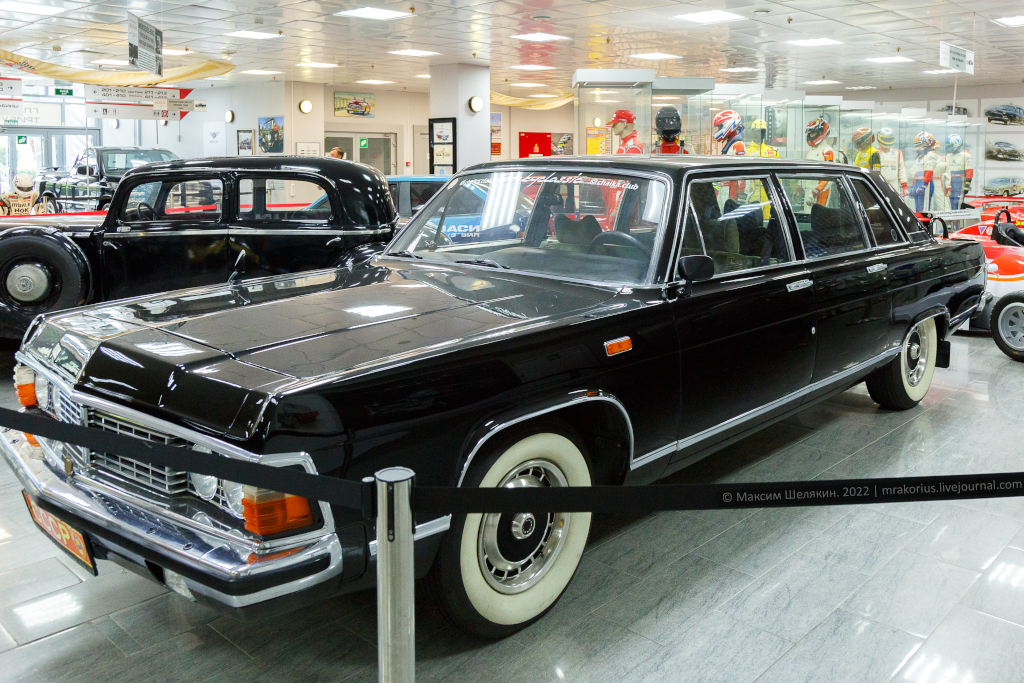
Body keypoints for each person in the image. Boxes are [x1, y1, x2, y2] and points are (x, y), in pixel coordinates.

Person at [909, 132, 950, 212]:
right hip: (921, 182)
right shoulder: (921, 157)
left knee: (941, 205)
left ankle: (948, 219)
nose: (936, 149)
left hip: (932, 182)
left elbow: (932, 171)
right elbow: (914, 171)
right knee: (919, 208)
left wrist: (948, 186)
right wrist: (913, 185)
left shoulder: (936, 157)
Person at [803, 118, 836, 206]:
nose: (810, 135)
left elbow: (829, 176)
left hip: (821, 192)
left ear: (821, 132)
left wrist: (815, 192)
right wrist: (800, 186)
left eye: (813, 132)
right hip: (809, 190)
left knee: (819, 214)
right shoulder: (811, 151)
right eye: (809, 133)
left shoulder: (827, 151)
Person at [945, 133, 974, 208]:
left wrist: (967, 185)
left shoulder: (966, 155)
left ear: (956, 144)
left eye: (950, 145)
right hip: (950, 180)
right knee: (950, 202)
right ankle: (952, 215)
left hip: (960, 181)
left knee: (957, 203)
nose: (948, 148)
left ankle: (956, 216)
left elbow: (969, 171)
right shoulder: (948, 156)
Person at [876, 127, 907, 196]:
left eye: (889, 139)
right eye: (885, 139)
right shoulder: (875, 153)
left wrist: (904, 186)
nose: (887, 141)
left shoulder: (897, 153)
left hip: (894, 184)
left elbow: (902, 170)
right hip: (880, 184)